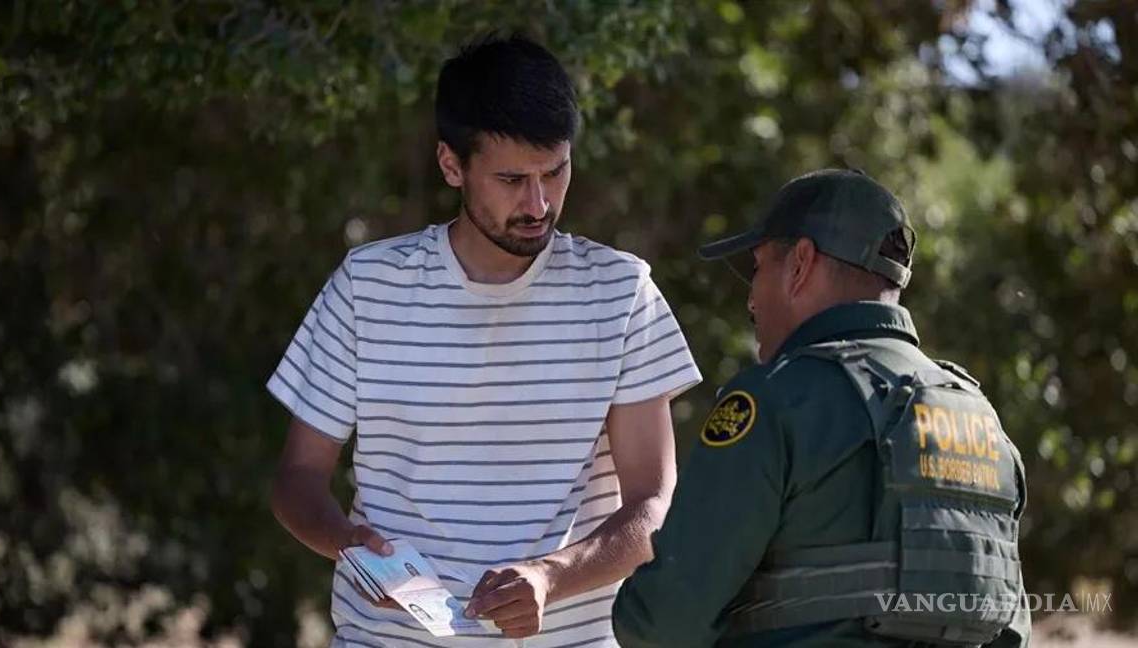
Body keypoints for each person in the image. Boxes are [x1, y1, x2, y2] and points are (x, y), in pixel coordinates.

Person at [267, 34, 701, 647]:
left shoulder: (621, 292)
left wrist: (550, 578)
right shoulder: (368, 286)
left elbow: (653, 505)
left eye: (556, 171)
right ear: (451, 165)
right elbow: (296, 479)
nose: (539, 202)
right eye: (511, 179)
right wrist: (351, 545)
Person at [612, 169, 1031, 647]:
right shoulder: (980, 418)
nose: (751, 298)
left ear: (800, 265)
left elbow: (661, 621)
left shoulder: (774, 401)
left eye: (757, 269)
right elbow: (1010, 628)